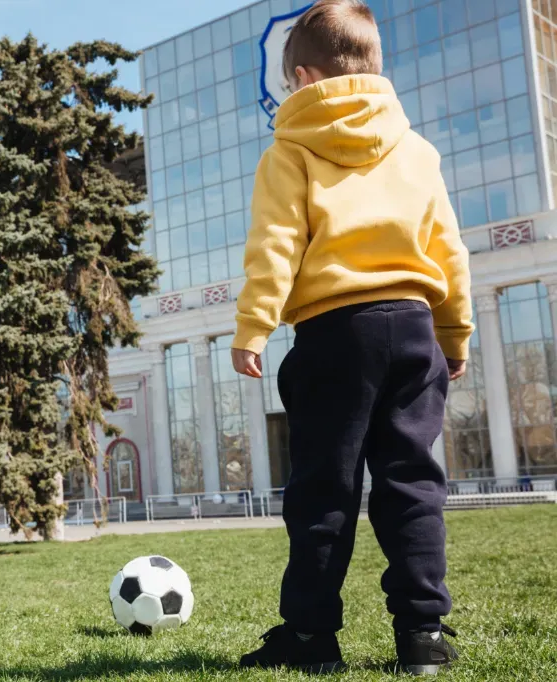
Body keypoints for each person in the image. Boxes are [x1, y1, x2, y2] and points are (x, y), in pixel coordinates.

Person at [230, 0, 472, 675]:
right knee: (413, 483)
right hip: (415, 324)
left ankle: (310, 639)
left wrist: (253, 326)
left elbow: (275, 247)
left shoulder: (290, 151)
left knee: (323, 487)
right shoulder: (417, 151)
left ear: (303, 78)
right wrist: (455, 334)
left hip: (335, 332)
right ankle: (423, 635)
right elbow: (447, 249)